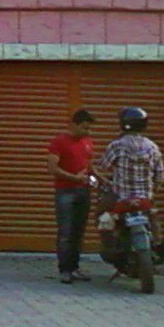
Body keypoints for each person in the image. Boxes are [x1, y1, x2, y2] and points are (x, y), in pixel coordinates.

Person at [94, 105, 164, 222]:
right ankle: (154, 234)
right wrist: (151, 191)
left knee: (100, 215)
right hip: (145, 199)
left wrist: (105, 180)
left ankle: (107, 233)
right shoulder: (153, 147)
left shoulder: (117, 145)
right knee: (154, 221)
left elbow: (102, 166)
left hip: (121, 198)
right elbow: (160, 177)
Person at [47, 109, 95, 284]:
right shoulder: (59, 142)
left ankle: (75, 267)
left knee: (78, 231)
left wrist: (101, 180)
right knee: (66, 231)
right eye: (83, 127)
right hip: (66, 192)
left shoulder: (87, 142)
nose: (87, 131)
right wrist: (74, 178)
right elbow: (52, 168)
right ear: (73, 125)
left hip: (83, 191)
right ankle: (65, 270)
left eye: (88, 128)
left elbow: (89, 166)